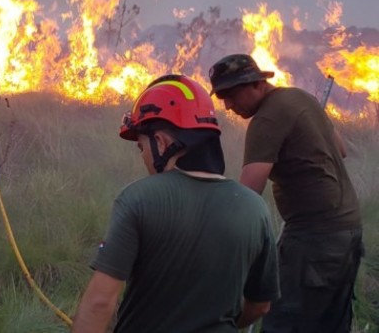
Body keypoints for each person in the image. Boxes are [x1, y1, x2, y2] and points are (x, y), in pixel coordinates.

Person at [72, 74, 279, 333]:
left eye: (141, 147)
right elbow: (260, 306)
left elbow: (100, 302)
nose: (143, 157)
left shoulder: (137, 199)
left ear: (161, 142)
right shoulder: (255, 208)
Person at [208, 53, 364, 332]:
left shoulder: (266, 120)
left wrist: (214, 232)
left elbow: (248, 195)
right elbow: (340, 149)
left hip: (314, 239)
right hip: (348, 230)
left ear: (255, 84)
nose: (228, 105)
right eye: (222, 98)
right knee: (330, 325)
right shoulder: (301, 98)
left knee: (284, 322)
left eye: (231, 94)